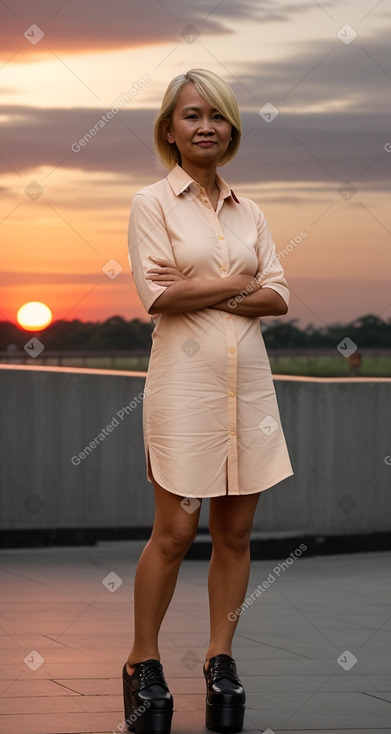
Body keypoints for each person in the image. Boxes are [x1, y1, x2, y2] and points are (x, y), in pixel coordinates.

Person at [124, 68, 294, 734]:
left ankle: (220, 657)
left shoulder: (249, 212)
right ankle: (142, 661)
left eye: (217, 116)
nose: (205, 127)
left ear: (232, 129)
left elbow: (277, 295)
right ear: (170, 129)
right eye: (191, 116)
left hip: (246, 385)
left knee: (235, 532)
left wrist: (216, 286)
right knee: (174, 531)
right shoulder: (151, 203)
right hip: (183, 387)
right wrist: (236, 281)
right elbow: (158, 295)